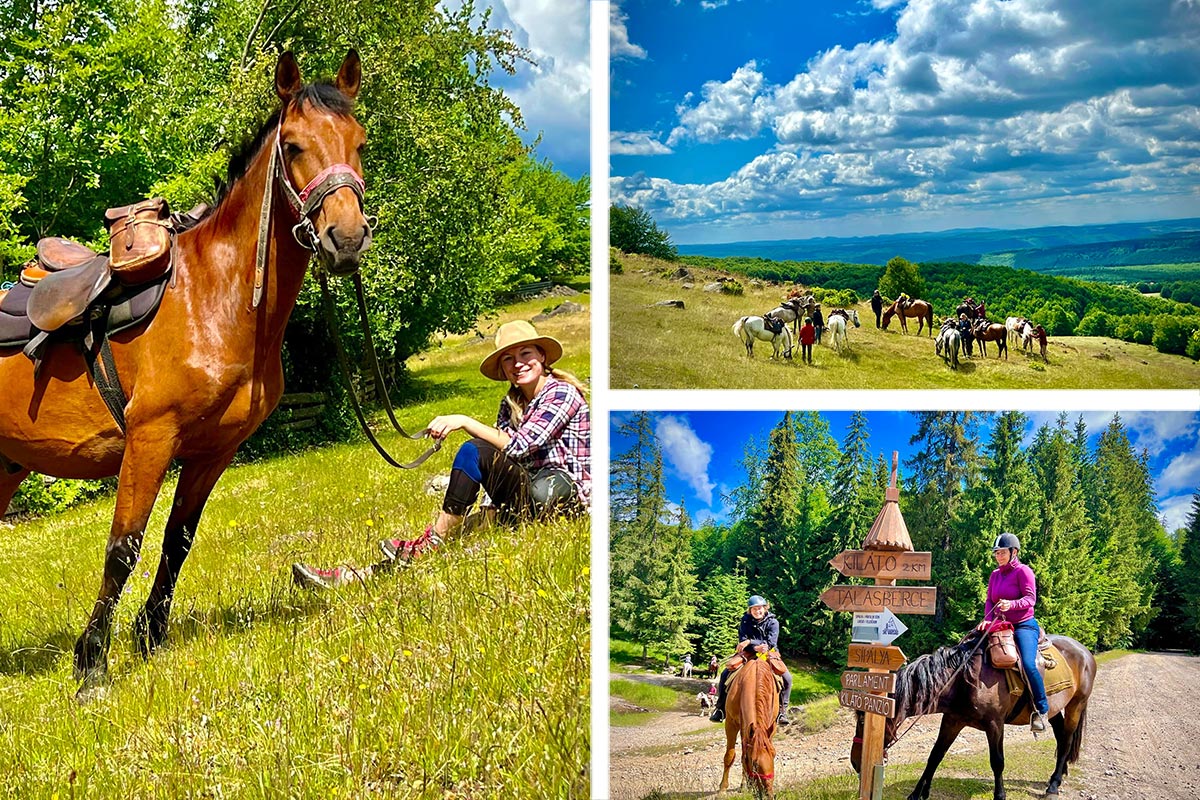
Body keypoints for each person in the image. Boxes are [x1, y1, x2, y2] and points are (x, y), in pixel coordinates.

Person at [292, 320, 591, 589]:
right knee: (450, 537)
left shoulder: (561, 393)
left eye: (525, 354)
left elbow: (521, 445)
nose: (518, 364)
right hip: (525, 500)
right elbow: (505, 464)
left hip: (560, 502)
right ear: (502, 370)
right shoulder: (510, 404)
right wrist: (486, 512)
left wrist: (465, 421)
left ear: (542, 356)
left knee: (474, 449)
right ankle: (351, 577)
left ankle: (427, 543)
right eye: (508, 359)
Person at [976, 533, 1049, 732]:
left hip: (1024, 625)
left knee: (1027, 663)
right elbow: (990, 600)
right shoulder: (994, 575)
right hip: (1000, 625)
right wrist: (987, 620)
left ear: (1013, 552)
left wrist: (1012, 604)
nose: (998, 556)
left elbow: (1030, 599)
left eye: (1001, 552)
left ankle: (1041, 709)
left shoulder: (1024, 572)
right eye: (996, 553)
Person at [709, 595, 793, 726]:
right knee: (725, 674)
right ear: (750, 610)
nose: (757, 611)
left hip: (768, 653)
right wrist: (753, 646)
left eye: (759, 608)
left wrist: (751, 642)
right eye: (754, 609)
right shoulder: (745, 621)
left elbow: (770, 643)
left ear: (765, 608)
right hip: (749, 652)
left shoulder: (773, 622)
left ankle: (782, 711)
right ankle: (720, 709)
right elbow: (742, 639)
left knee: (787, 678)